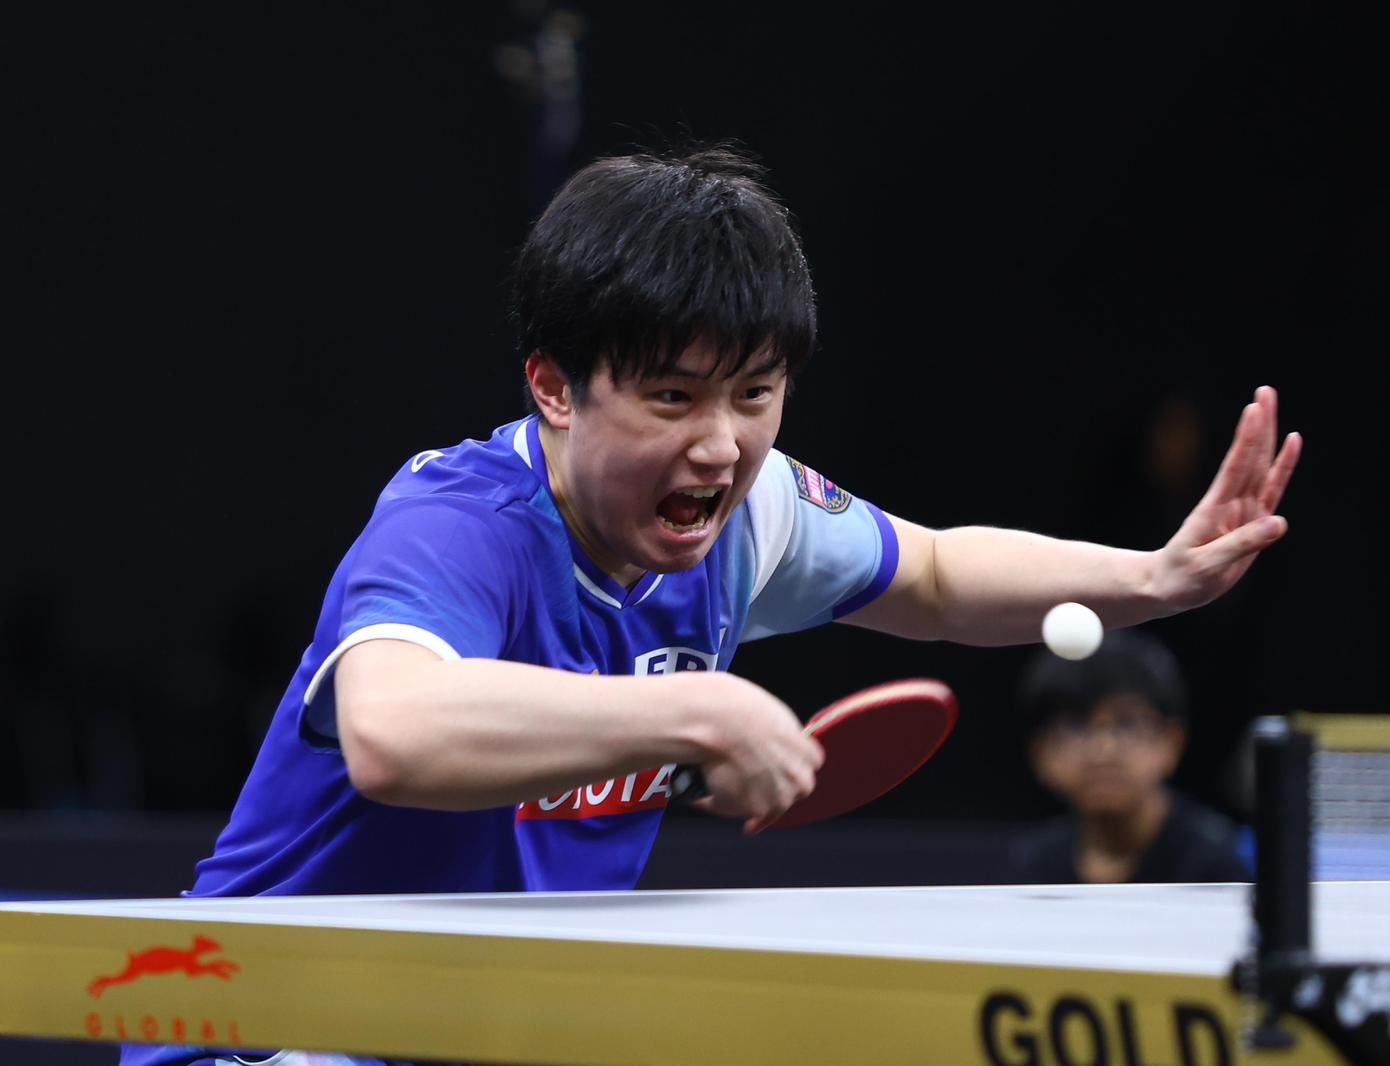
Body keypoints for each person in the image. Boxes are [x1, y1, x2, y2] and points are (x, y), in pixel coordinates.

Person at [126, 146, 1299, 1066]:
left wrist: (1152, 577)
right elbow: (391, 732)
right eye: (673, 397)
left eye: (754, 393)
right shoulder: (460, 527)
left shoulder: (751, 516)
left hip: (464, 1023)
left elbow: (939, 577)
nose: (722, 445)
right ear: (554, 387)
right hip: (260, 1024)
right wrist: (695, 714)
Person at [1006, 631, 1250, 884]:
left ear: (1172, 742)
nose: (1102, 750)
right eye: (1075, 726)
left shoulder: (1220, 863)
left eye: (1127, 723)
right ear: (1040, 752)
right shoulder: (1033, 865)